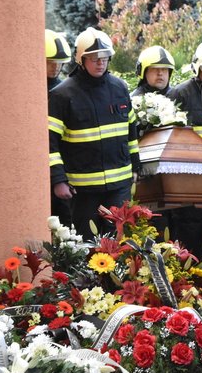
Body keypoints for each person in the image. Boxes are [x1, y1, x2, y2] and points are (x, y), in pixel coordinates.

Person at [49, 27, 140, 239]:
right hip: (83, 190)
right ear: (81, 60)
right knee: (88, 247)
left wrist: (135, 167)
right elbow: (50, 142)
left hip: (119, 185)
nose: (100, 62)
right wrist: (58, 180)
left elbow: (131, 130)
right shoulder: (62, 95)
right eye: (94, 58)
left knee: (119, 245)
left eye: (104, 57)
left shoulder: (120, 88)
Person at [166, 39, 202, 272]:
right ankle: (190, 284)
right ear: (196, 68)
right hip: (190, 183)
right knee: (190, 237)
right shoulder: (180, 94)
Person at [46, 29, 74, 228]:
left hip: (63, 169)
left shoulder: (64, 91)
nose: (55, 67)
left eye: (59, 62)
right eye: (50, 62)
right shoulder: (28, 87)